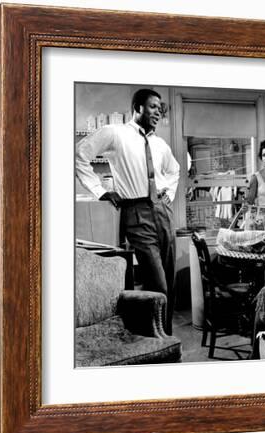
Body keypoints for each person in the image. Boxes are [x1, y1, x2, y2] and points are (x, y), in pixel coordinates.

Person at [75, 88, 180, 334]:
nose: (158, 111)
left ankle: (166, 337)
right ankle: (157, 336)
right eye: (154, 106)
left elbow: (174, 170)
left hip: (163, 212)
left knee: (170, 281)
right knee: (158, 282)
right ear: (138, 107)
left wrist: (169, 194)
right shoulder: (116, 133)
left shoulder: (160, 144)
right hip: (136, 212)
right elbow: (80, 154)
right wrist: (100, 191)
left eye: (160, 107)